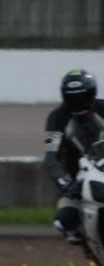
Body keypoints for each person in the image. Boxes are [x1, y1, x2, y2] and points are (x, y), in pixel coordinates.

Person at [43, 69, 104, 244]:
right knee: (64, 221)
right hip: (77, 179)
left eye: (83, 97)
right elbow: (50, 157)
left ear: (92, 94)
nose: (79, 104)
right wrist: (66, 183)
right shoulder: (56, 118)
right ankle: (90, 248)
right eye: (73, 98)